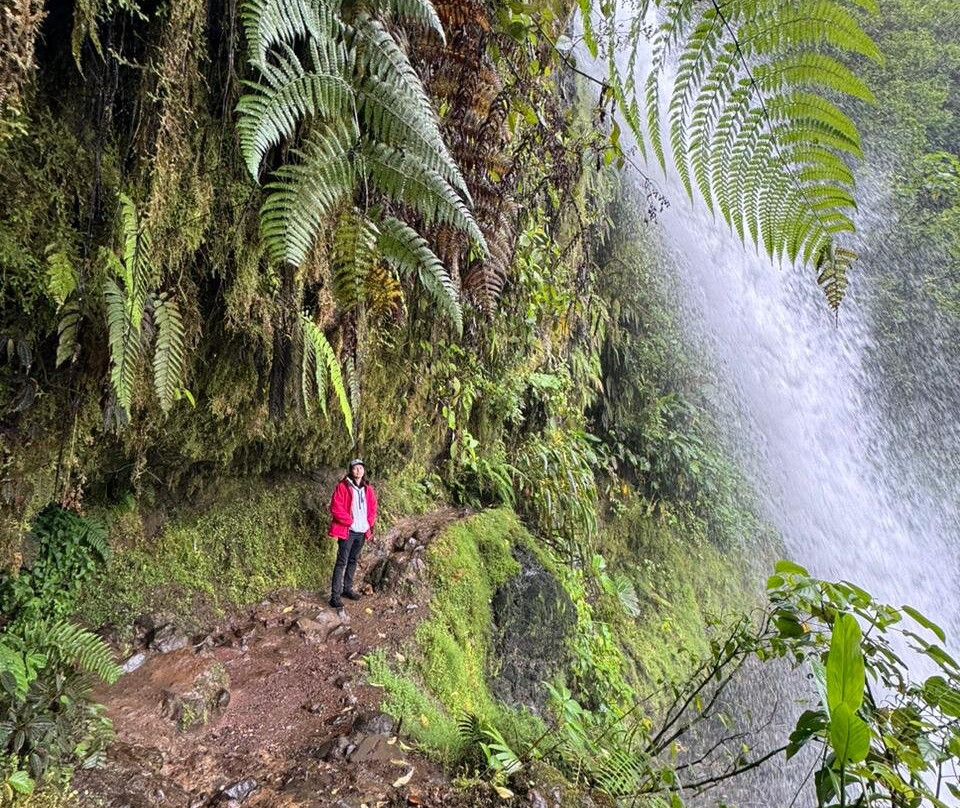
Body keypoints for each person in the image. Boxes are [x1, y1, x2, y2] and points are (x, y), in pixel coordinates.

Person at [328, 458, 378, 608]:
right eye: (355, 468)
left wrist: (369, 522)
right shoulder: (343, 487)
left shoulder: (367, 488)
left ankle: (347, 589)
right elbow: (336, 507)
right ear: (351, 470)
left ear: (363, 470)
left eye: (361, 468)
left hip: (362, 532)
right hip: (348, 531)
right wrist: (350, 522)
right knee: (341, 562)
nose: (358, 471)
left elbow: (373, 507)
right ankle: (335, 596)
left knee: (353, 560)